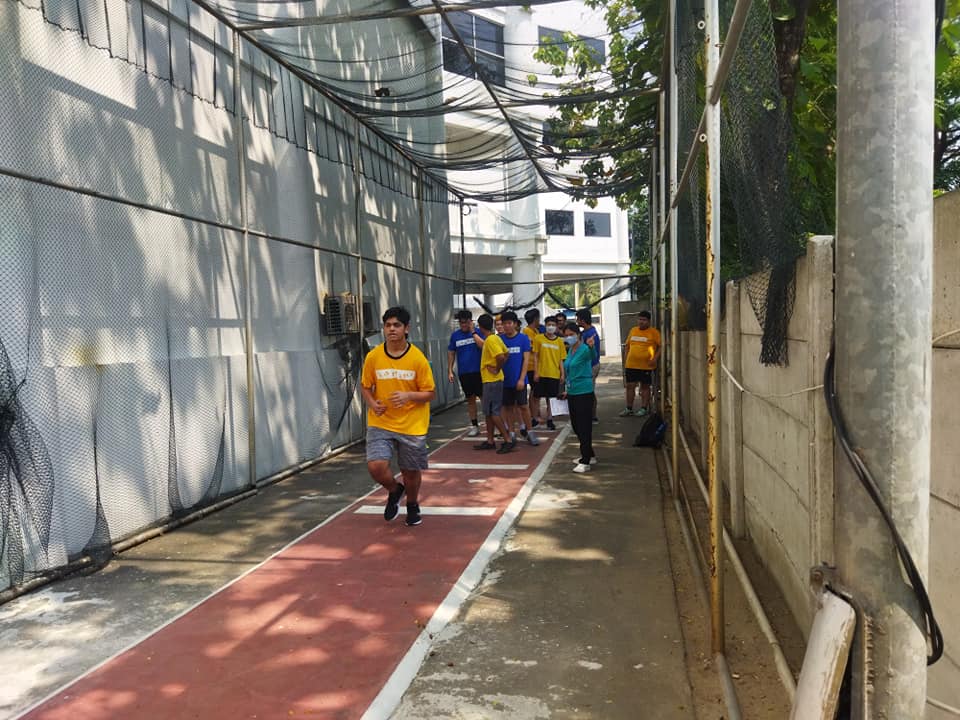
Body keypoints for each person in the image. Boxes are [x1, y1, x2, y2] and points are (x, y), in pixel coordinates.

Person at [360, 306, 436, 527]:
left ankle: (412, 504)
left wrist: (408, 395)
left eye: (396, 325)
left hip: (412, 424)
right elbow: (366, 386)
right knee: (376, 466)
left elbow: (430, 393)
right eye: (387, 325)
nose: (391, 329)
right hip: (381, 422)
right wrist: (373, 403)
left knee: (410, 471)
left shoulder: (417, 359)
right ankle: (395, 490)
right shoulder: (374, 357)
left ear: (406, 329)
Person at [473, 313, 514, 452]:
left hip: (492, 381)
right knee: (488, 412)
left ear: (480, 327)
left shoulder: (490, 340)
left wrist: (497, 368)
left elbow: (501, 356)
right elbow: (507, 353)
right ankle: (490, 440)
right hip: (491, 380)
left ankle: (507, 439)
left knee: (494, 412)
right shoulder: (496, 338)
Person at [561, 322, 596, 473]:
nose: (568, 337)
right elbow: (569, 370)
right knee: (576, 425)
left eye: (571, 334)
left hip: (584, 392)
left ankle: (585, 460)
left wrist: (591, 346)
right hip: (572, 391)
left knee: (584, 426)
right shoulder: (571, 351)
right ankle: (590, 454)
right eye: (566, 335)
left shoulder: (583, 349)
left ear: (578, 335)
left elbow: (592, 355)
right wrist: (566, 390)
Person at [499, 311, 538, 448]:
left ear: (515, 324)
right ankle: (511, 432)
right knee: (508, 407)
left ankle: (530, 431)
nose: (507, 326)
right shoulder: (500, 339)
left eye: (509, 323)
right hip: (504, 381)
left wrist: (522, 379)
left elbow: (526, 361)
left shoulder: (523, 339)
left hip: (519, 380)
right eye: (504, 324)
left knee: (523, 406)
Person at [447, 310, 485, 436]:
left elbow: (484, 346)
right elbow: (451, 352)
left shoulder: (478, 332)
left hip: (479, 372)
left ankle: (491, 423)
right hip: (464, 373)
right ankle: (474, 425)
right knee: (470, 399)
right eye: (461, 322)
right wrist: (450, 370)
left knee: (484, 398)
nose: (463, 325)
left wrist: (473, 332)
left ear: (470, 321)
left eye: (465, 322)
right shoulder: (455, 336)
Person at [621, 310, 661, 416]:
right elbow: (627, 346)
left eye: (644, 320)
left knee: (645, 387)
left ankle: (643, 408)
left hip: (646, 366)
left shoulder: (654, 332)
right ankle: (629, 408)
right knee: (630, 386)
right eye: (640, 319)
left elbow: (661, 346)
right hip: (631, 364)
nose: (641, 322)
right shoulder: (633, 330)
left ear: (648, 321)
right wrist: (626, 359)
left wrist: (655, 359)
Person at [532, 317, 566, 430]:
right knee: (536, 397)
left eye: (553, 325)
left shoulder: (560, 341)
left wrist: (562, 374)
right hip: (541, 373)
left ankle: (550, 419)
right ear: (545, 325)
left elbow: (561, 359)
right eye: (548, 324)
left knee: (551, 399)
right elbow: (535, 356)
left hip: (553, 374)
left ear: (556, 327)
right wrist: (536, 372)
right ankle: (534, 418)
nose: (550, 327)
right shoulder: (538, 339)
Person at [576, 308, 602, 423]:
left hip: (591, 365)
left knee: (588, 391)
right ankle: (590, 414)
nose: (577, 321)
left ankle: (592, 415)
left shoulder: (589, 334)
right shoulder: (590, 331)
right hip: (592, 364)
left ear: (582, 320)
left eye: (578, 319)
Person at [522, 308, 543, 424]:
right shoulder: (526, 332)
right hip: (530, 366)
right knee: (534, 392)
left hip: (536, 365)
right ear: (535, 319)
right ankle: (533, 416)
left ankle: (535, 413)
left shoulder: (536, 331)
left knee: (536, 392)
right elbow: (533, 348)